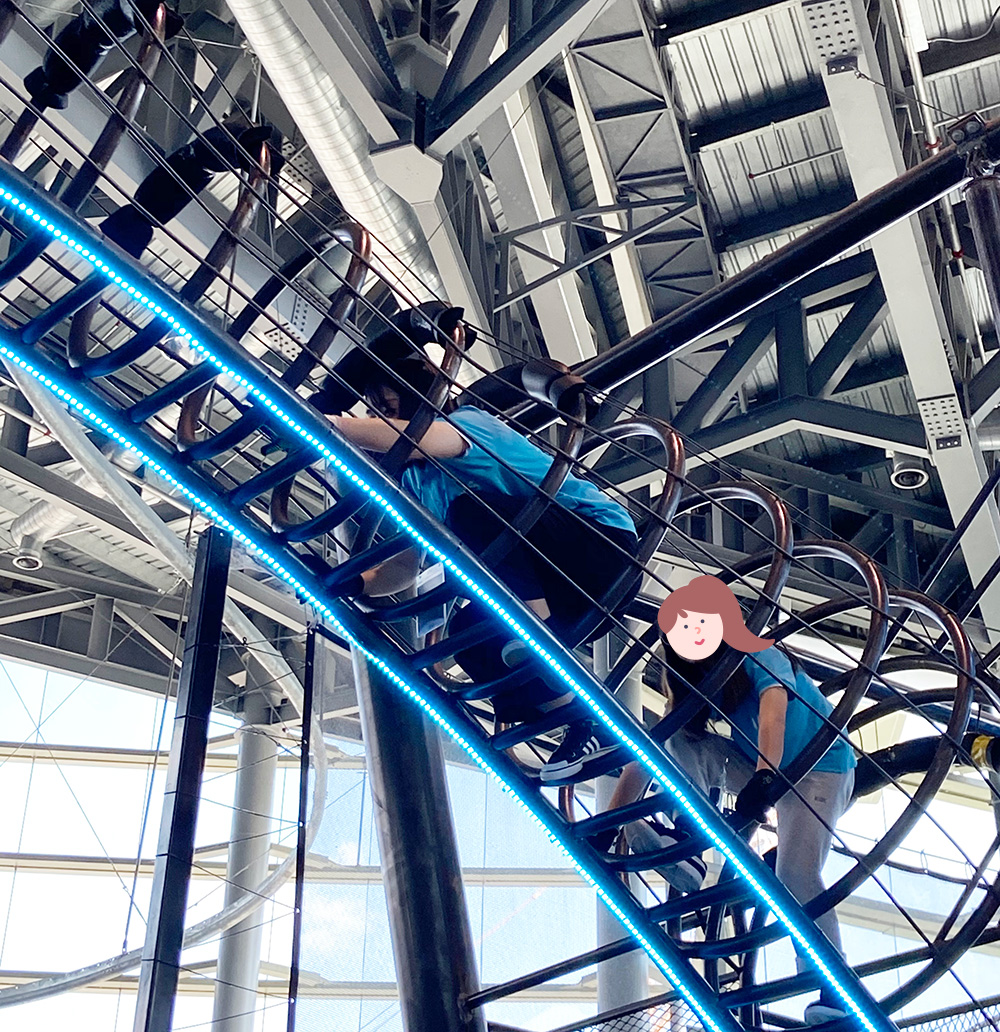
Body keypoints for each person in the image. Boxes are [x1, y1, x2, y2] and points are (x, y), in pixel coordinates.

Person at [322, 322, 641, 782]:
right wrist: (353, 584)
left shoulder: (464, 426)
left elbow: (415, 439)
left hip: (598, 551)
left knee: (471, 514)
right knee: (468, 634)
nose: (377, 418)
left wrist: (330, 424)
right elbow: (407, 564)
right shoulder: (416, 484)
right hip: (552, 586)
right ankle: (580, 721)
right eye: (373, 410)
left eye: (386, 408)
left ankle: (539, 639)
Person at [605, 575, 856, 1025]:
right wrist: (611, 821)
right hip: (765, 765)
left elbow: (774, 710)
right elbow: (655, 744)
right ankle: (687, 838)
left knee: (796, 874)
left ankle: (834, 988)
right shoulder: (698, 679)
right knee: (678, 735)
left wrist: (764, 775)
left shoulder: (758, 652)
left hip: (820, 765)